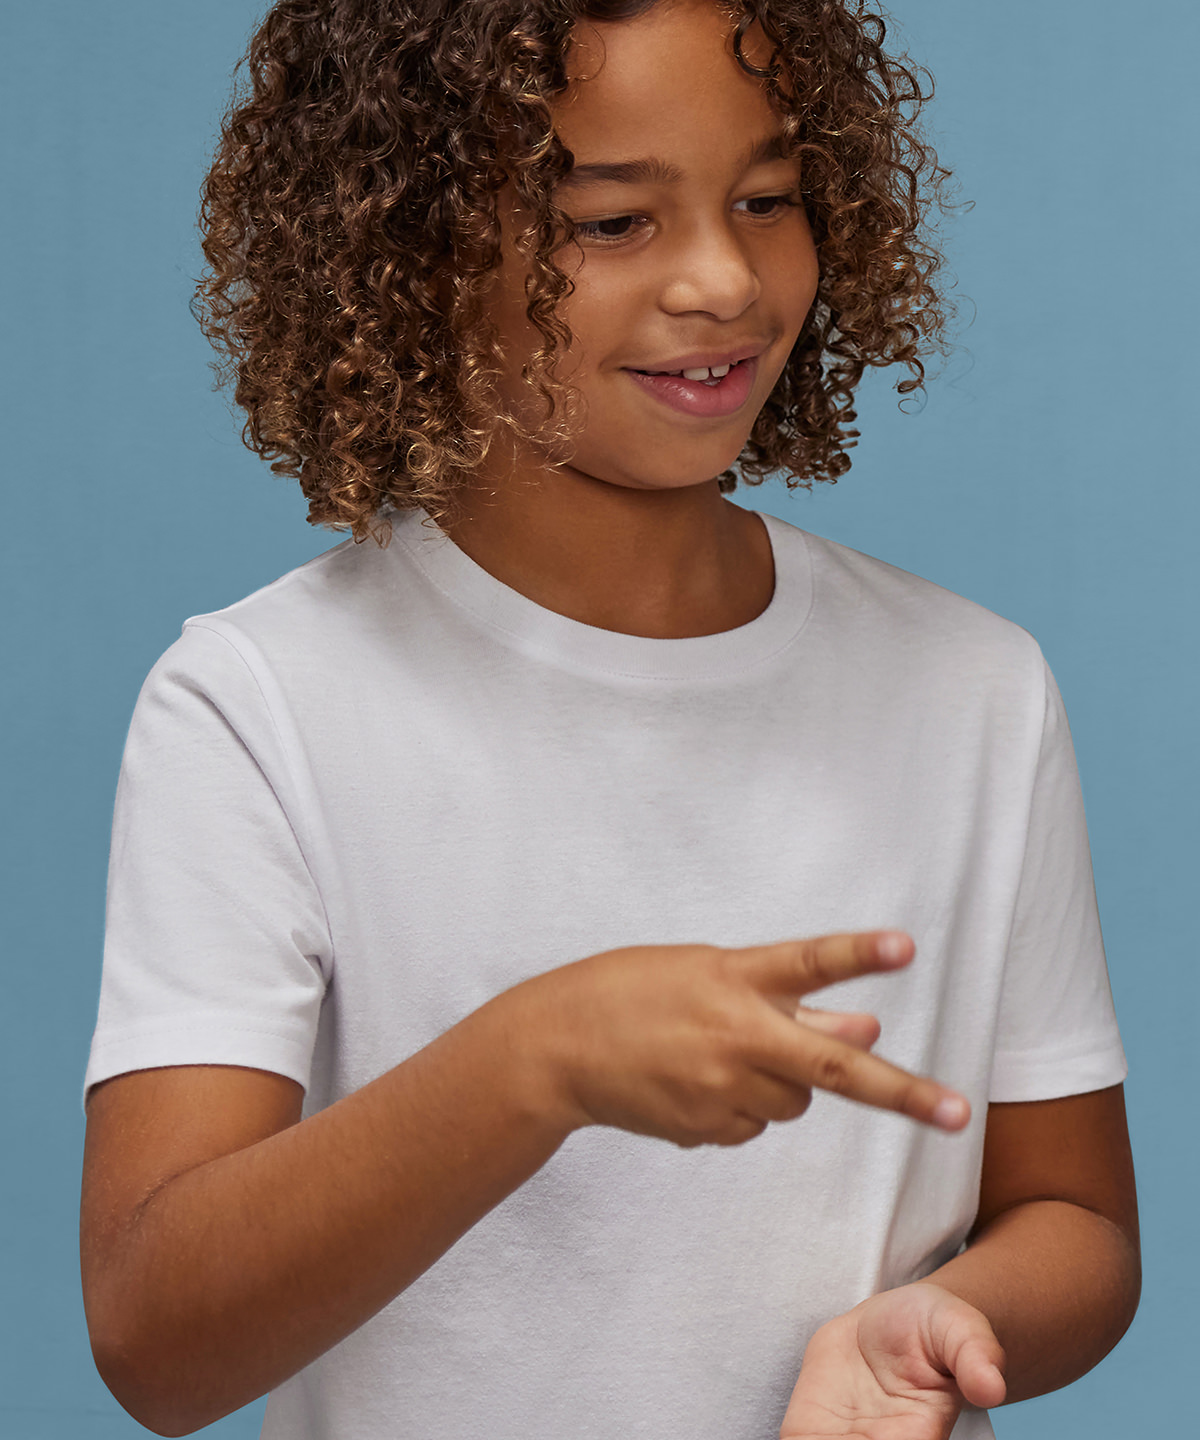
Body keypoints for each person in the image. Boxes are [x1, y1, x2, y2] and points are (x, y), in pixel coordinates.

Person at [80, 2, 1139, 1437]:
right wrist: (538, 1060)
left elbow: (1078, 1218)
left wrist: (954, 1318)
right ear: (413, 250)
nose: (723, 279)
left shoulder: (974, 688)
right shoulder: (260, 704)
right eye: (611, 221)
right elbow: (156, 1340)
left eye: (767, 199)